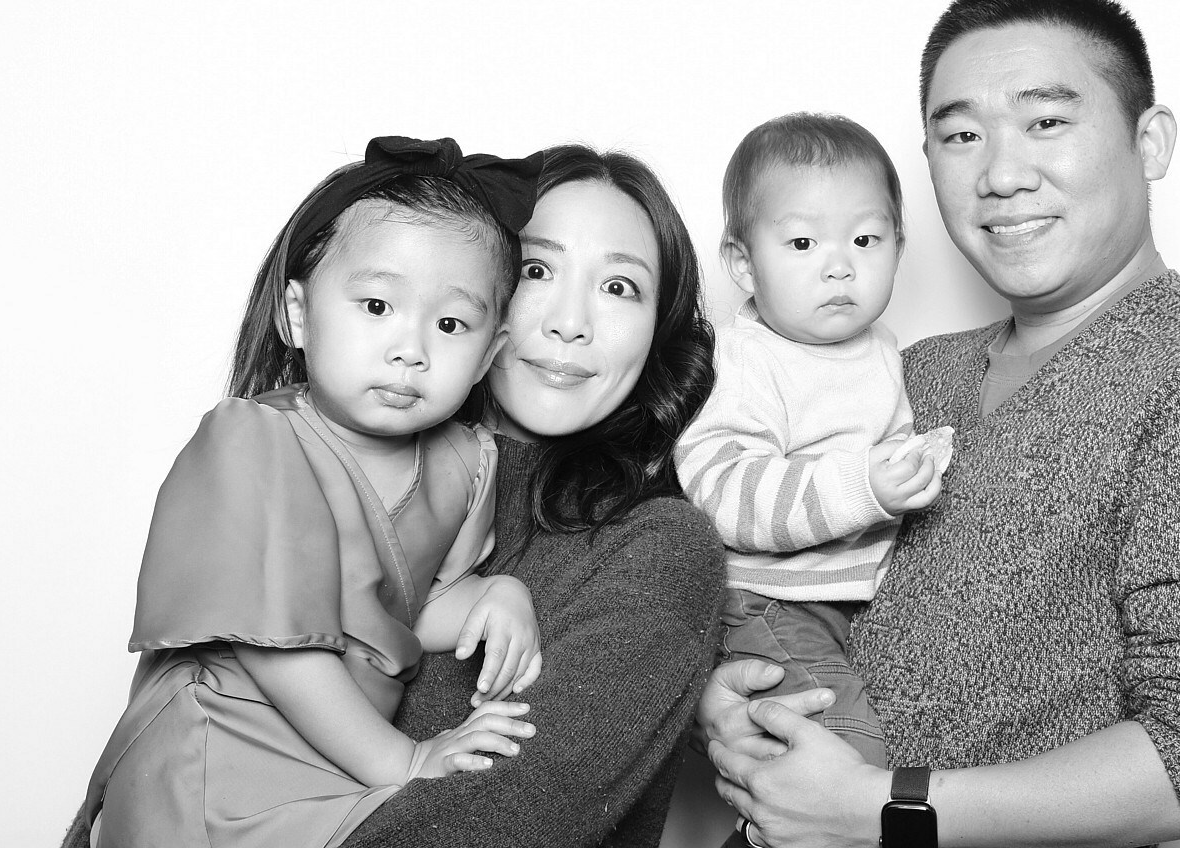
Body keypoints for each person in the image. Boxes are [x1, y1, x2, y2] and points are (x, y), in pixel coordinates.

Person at [704, 0, 1180, 847]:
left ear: (1149, 142)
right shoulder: (908, 370)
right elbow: (777, 569)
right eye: (961, 135)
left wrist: (885, 808)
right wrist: (727, 702)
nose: (999, 174)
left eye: (1046, 122)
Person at [65, 137, 546, 848]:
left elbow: (411, 613)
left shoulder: (466, 463)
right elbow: (282, 653)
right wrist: (406, 762)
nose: (410, 349)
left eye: (450, 324)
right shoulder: (251, 442)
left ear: (489, 354)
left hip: (338, 766)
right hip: (220, 756)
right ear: (298, 313)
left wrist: (499, 596)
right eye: (377, 305)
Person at [345, 144, 727, 848]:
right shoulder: (341, 476)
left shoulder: (660, 550)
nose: (569, 322)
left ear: (659, 336)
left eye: (620, 287)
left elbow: (498, 819)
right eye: (536, 270)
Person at [675, 113, 950, 766]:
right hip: (763, 603)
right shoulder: (747, 359)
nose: (839, 268)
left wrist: (918, 463)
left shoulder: (880, 349)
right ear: (743, 264)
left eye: (865, 240)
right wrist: (864, 486)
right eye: (802, 243)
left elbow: (881, 463)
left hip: (842, 605)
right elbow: (721, 489)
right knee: (845, 753)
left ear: (899, 247)